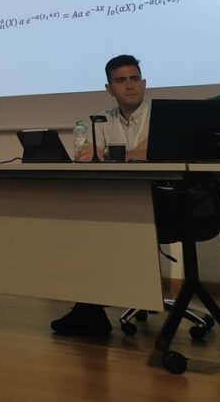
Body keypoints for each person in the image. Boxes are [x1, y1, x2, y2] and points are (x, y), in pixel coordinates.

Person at [53, 53, 149, 336]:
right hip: (121, 200)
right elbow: (88, 154)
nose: (129, 85)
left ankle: (88, 309)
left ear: (144, 83)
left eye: (134, 79)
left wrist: (113, 154)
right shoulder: (101, 120)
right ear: (109, 89)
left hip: (162, 199)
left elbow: (152, 151)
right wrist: (108, 153)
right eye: (121, 81)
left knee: (96, 223)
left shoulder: (163, 115)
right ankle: (88, 308)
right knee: (78, 220)